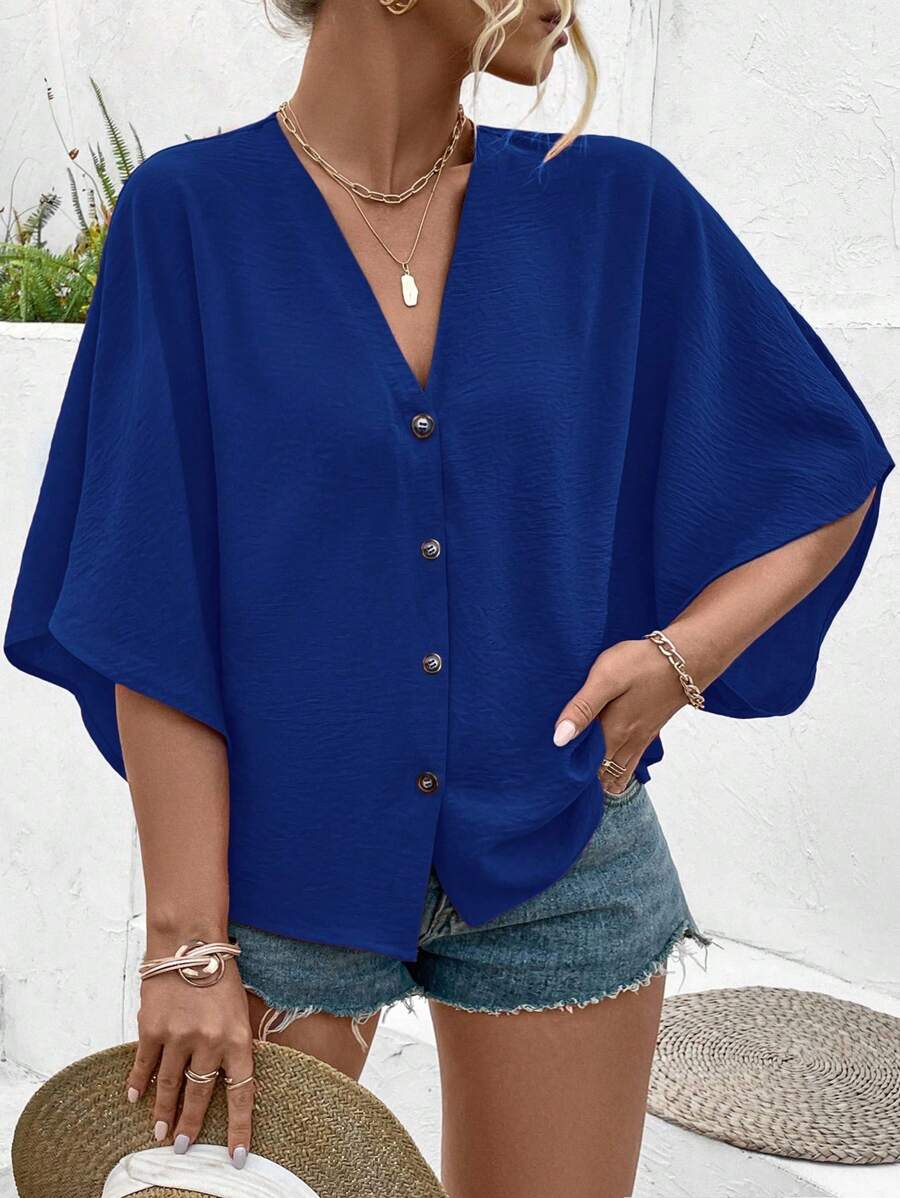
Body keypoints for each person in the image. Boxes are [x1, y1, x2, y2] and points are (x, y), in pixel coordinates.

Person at [4, 2, 894, 1196]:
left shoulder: (614, 204)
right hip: (277, 879)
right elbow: (148, 600)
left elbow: (824, 469)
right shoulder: (191, 217)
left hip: (562, 864)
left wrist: (680, 659)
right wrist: (188, 947)